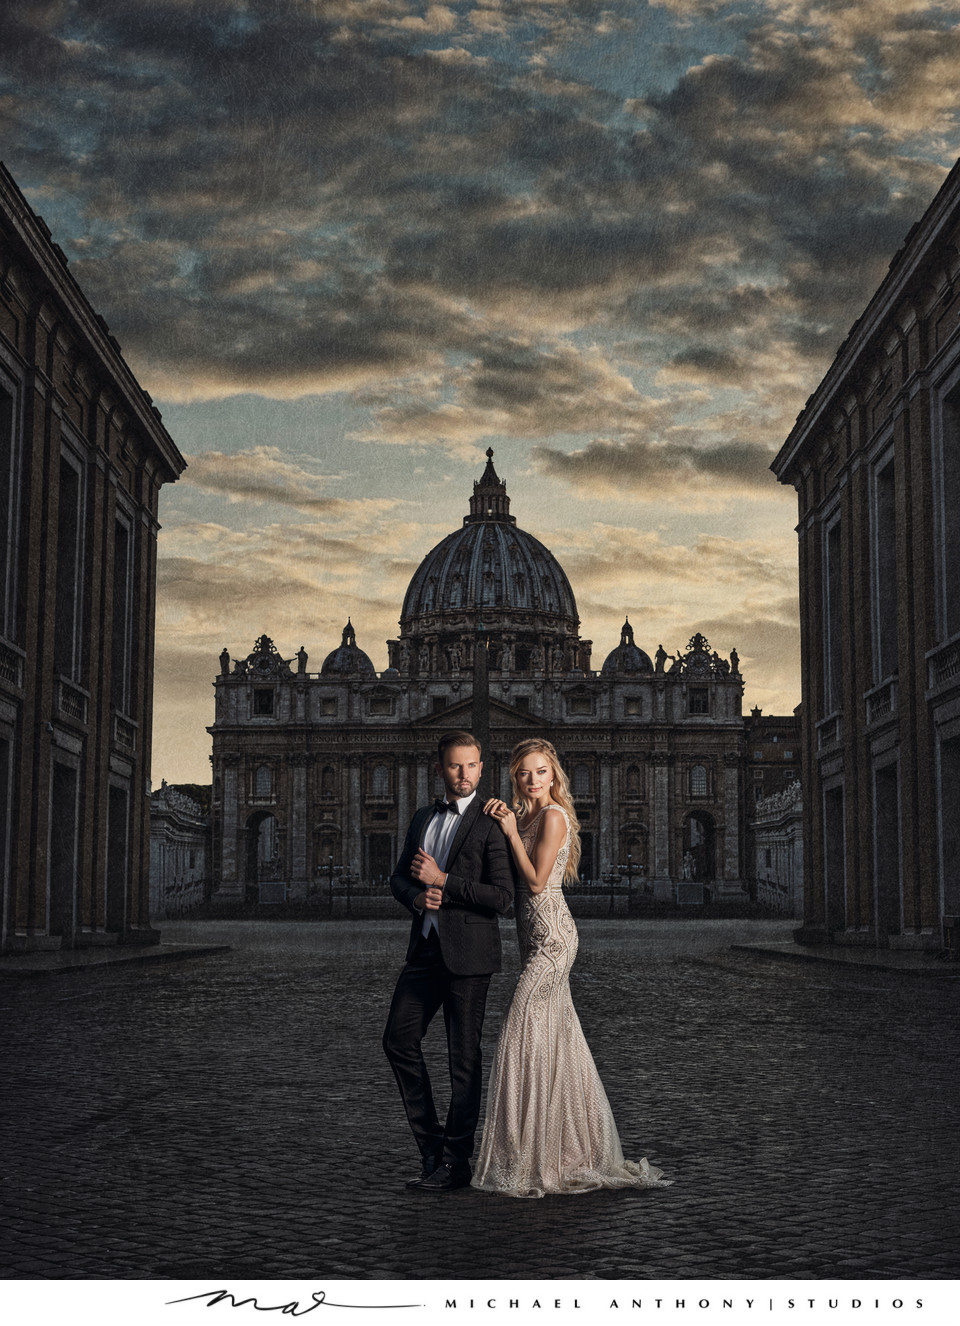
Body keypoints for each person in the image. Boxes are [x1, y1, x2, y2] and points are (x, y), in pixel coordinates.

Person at [472, 738, 670, 1199]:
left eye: (541, 771)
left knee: (520, 1030)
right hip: (530, 938)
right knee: (556, 1040)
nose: (533, 779)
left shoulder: (554, 816)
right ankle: (560, 1148)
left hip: (554, 939)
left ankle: (531, 1152)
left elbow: (538, 881)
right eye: (524, 772)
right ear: (515, 776)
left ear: (553, 775)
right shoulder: (522, 816)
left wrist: (506, 832)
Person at [383, 730, 515, 1192]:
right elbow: (399, 879)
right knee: (397, 1041)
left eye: (472, 765)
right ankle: (432, 1149)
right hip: (424, 950)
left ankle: (457, 1162)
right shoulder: (423, 816)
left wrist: (445, 880)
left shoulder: (493, 821)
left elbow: (504, 898)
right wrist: (418, 899)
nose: (464, 774)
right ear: (439, 768)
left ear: (482, 767)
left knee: (463, 1061)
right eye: (455, 766)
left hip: (470, 956)